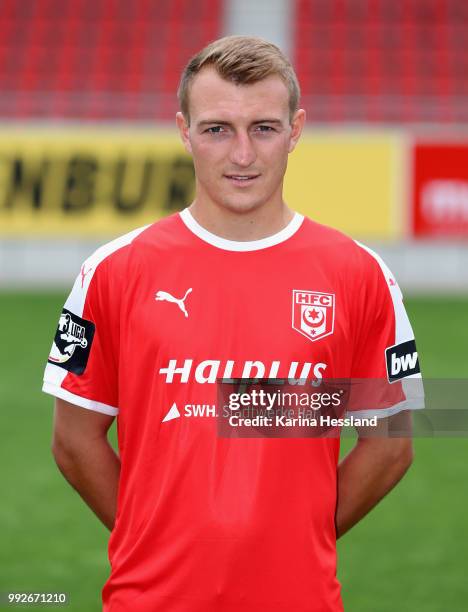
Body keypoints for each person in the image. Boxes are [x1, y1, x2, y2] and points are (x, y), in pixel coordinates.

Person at [43, 36, 423, 612]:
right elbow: (74, 441)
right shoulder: (113, 271)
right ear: (183, 130)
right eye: (218, 128)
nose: (242, 154)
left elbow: (389, 445)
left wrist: (296, 541)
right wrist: (157, 538)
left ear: (296, 130)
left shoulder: (360, 275)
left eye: (264, 128)